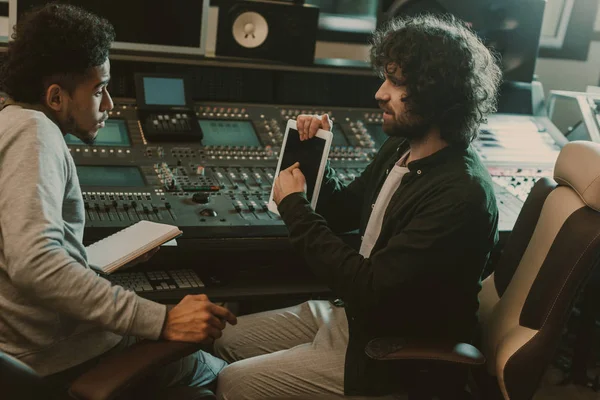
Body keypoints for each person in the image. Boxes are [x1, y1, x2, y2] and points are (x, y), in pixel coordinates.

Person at [214, 14, 502, 399]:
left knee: (234, 382)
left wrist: (296, 209)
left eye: (396, 83)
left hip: (390, 356)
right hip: (352, 319)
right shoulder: (402, 148)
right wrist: (316, 154)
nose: (380, 93)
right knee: (222, 338)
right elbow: (344, 210)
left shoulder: (461, 195)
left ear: (437, 92)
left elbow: (369, 287)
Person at [0, 3, 236, 391]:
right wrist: (162, 319)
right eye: (99, 90)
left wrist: (99, 262)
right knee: (228, 375)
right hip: (63, 356)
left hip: (33, 351)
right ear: (56, 97)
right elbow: (36, 266)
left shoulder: (11, 120)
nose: (109, 104)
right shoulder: (33, 133)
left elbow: (19, 257)